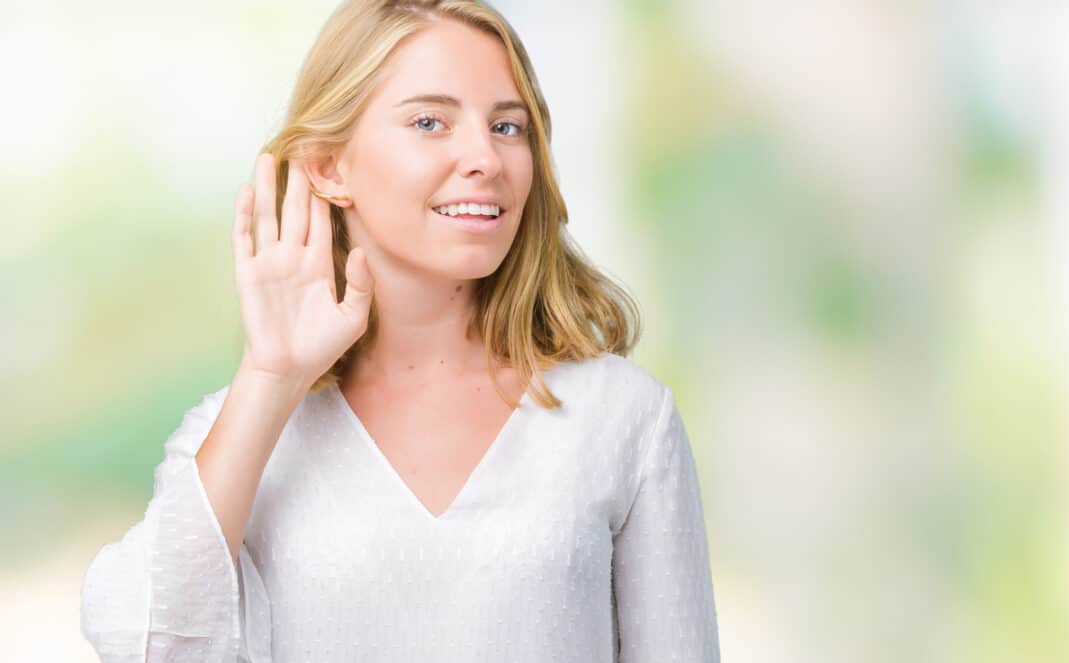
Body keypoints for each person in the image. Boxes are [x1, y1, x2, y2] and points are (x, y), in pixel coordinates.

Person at [78, 1, 720, 661]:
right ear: (329, 166)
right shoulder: (242, 429)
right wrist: (270, 379)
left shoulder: (622, 418)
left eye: (507, 126)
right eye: (429, 121)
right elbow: (148, 641)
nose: (485, 157)